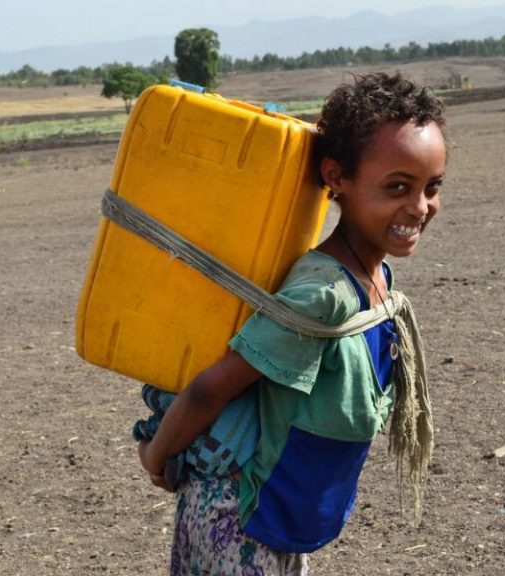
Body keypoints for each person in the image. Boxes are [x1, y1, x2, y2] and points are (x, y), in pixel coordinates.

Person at [138, 71, 447, 575]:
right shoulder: (321, 296)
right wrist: (156, 457)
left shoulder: (374, 279)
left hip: (278, 516)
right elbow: (209, 390)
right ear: (336, 177)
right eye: (397, 187)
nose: (419, 207)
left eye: (431, 187)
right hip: (237, 520)